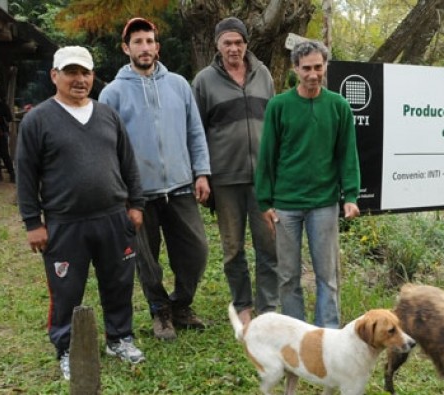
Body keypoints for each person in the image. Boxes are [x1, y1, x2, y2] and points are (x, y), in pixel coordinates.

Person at [16, 46, 146, 380]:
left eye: (85, 72)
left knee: (118, 283)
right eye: (71, 72)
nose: (80, 79)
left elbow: (128, 163)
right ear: (54, 76)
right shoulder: (37, 120)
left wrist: (135, 205)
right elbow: (26, 174)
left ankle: (119, 338)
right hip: (64, 223)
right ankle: (67, 348)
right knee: (67, 291)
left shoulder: (107, 115)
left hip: (113, 218)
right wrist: (33, 222)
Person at [100, 17, 211, 340]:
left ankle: (181, 304)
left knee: (197, 250)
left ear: (157, 47)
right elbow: (108, 146)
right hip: (138, 194)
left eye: (149, 41)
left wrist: (201, 172)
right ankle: (159, 310)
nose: (144, 47)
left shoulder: (179, 85)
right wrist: (118, 189)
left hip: (180, 187)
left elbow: (195, 131)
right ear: (126, 48)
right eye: (137, 42)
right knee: (145, 259)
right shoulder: (113, 93)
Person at [254, 40, 361, 329]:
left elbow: (347, 155)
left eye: (318, 67)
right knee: (288, 275)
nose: (313, 74)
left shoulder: (338, 106)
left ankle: (327, 335)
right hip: (286, 205)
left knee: (327, 275)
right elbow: (267, 157)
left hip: (324, 204)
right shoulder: (280, 106)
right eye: (306, 68)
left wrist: (350, 195)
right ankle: (295, 334)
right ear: (295, 69)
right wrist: (265, 201)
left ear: (325, 66)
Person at [191, 17, 278, 326]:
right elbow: (196, 130)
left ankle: (268, 308)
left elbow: (274, 123)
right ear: (218, 45)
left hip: (263, 180)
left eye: (238, 42)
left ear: (246, 44)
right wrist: (201, 174)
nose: (233, 48)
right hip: (225, 179)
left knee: (269, 245)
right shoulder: (203, 81)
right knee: (233, 248)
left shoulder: (263, 74)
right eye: (227, 43)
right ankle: (243, 305)